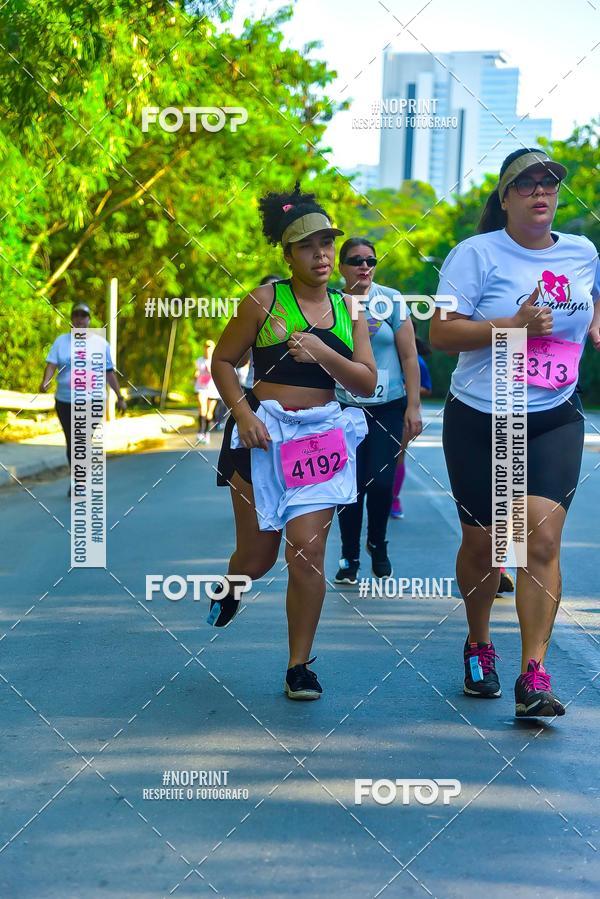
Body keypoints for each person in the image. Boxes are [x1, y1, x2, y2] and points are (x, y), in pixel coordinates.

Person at [430, 147, 600, 717]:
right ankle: (479, 643)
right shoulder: (474, 254)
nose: (541, 191)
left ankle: (534, 673)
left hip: (553, 414)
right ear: (505, 199)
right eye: (526, 184)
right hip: (481, 416)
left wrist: (595, 325)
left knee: (539, 540)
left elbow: (592, 296)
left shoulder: (582, 251)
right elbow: (442, 334)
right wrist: (513, 326)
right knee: (485, 544)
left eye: (549, 182)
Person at [210, 183, 376, 700]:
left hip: (318, 442)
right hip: (261, 436)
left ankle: (298, 665)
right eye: (308, 246)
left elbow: (367, 383)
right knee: (258, 558)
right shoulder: (264, 301)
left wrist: (322, 354)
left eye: (327, 243)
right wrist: (242, 414)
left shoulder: (351, 310)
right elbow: (223, 362)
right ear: (288, 254)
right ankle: (232, 584)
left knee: (306, 550)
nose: (321, 255)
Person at [333, 237, 422, 583]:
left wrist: (413, 406)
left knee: (383, 482)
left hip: (388, 407)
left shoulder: (391, 299)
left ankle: (377, 543)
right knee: (350, 487)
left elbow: (409, 356)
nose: (364, 267)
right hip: (344, 407)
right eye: (356, 261)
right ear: (341, 267)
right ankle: (349, 558)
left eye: (370, 261)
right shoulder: (330, 302)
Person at [39, 302, 126, 495]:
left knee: (82, 440)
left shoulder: (100, 344)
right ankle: (78, 479)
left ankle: (79, 481)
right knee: (72, 441)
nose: (79, 319)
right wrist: (46, 381)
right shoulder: (61, 342)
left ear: (89, 320)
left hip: (93, 400)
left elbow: (109, 372)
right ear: (72, 319)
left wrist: (119, 396)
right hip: (65, 400)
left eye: (83, 316)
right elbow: (51, 365)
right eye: (76, 315)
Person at [390, 336, 432, 520]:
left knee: (399, 455)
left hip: (405, 411)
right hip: (381, 409)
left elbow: (427, 388)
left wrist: (406, 387)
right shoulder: (381, 353)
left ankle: (394, 499)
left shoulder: (417, 361)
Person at [194, 339, 220, 444]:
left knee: (209, 413)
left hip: (213, 390)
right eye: (206, 346)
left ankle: (206, 433)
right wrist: (196, 374)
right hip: (201, 388)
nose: (207, 348)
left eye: (209, 347)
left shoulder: (216, 360)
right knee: (202, 408)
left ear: (213, 348)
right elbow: (196, 371)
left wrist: (211, 371)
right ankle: (200, 432)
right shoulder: (199, 360)